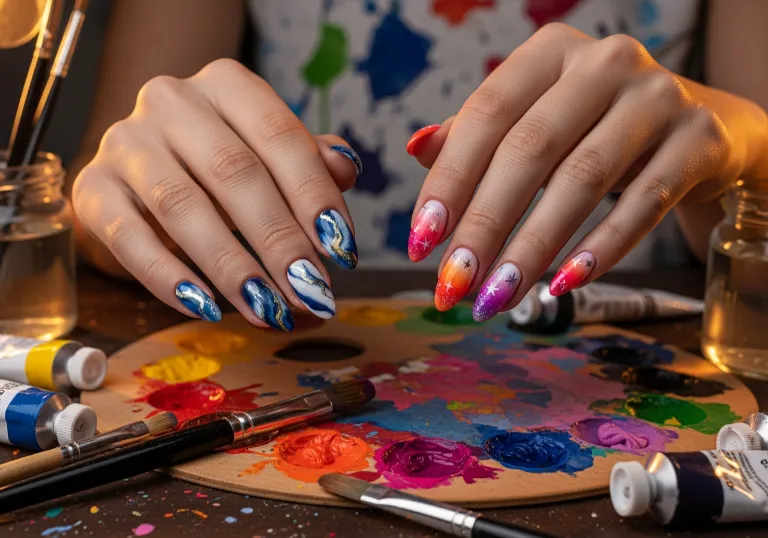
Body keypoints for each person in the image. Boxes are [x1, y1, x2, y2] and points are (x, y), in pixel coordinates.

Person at [69, 0, 768, 329]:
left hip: (628, 353)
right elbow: (96, 206)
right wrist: (145, 197)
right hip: (303, 360)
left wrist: (743, 146)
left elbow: (755, 208)